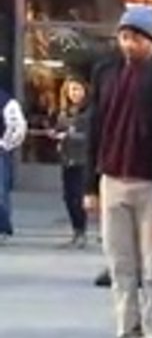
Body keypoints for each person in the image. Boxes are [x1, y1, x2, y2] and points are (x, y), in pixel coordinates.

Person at [83, 7, 152, 338]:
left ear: (151, 40)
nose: (129, 43)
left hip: (150, 182)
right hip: (112, 178)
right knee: (120, 265)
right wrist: (91, 184)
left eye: (136, 37)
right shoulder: (105, 72)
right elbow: (95, 127)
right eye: (124, 36)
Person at [51, 75, 92, 248]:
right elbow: (60, 129)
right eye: (71, 90)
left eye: (78, 89)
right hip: (67, 159)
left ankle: (82, 232)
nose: (74, 93)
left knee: (78, 197)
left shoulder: (90, 111)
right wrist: (56, 135)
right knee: (68, 197)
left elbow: (91, 136)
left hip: (83, 159)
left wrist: (68, 135)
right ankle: (76, 231)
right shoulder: (64, 111)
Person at [0, 88, 27, 243]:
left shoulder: (5, 100)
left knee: (0, 193)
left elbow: (18, 126)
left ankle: (2, 228)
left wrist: (4, 145)